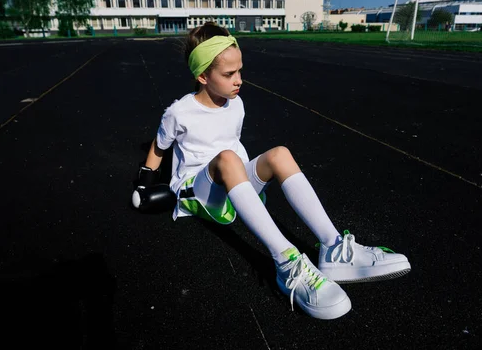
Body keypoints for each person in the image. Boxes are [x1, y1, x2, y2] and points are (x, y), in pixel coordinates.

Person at [138, 22, 411, 320]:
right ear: (202, 76)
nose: (239, 80)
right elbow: (158, 147)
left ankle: (333, 248)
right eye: (229, 75)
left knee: (280, 154)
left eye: (240, 71)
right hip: (197, 192)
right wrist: (145, 181)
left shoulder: (236, 104)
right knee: (228, 157)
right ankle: (286, 262)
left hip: (232, 180)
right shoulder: (179, 112)